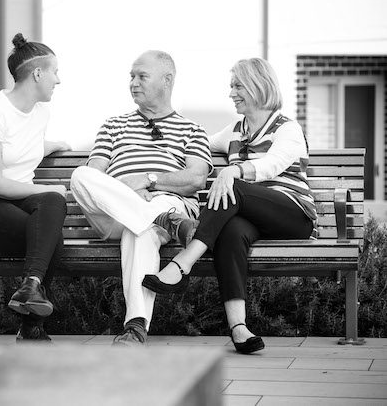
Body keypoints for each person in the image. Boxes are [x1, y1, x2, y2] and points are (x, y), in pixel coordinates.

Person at [143, 57, 317, 354]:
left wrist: (234, 170)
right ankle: (239, 328)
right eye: (231, 86)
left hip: (292, 214)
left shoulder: (287, 129)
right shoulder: (236, 130)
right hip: (251, 216)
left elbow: (271, 165)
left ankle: (182, 264)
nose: (231, 92)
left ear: (257, 86)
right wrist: (157, 155)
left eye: (237, 86)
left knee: (232, 186)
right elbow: (198, 145)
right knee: (231, 230)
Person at [70, 50, 212, 347]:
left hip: (166, 201)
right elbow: (93, 175)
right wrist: (123, 191)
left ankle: (135, 327)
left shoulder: (192, 130)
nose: (133, 82)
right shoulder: (113, 125)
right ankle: (163, 221)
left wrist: (148, 180)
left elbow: (196, 178)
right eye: (131, 77)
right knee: (79, 177)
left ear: (167, 80)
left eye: (141, 76)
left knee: (141, 229)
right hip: (113, 214)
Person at [0, 33, 71, 342]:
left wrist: (54, 146)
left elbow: (23, 145)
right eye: (54, 72)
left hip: (12, 205)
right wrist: (49, 189)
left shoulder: (40, 113)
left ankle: (30, 286)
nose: (58, 81)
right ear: (37, 73)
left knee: (50, 211)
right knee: (51, 232)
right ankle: (32, 325)